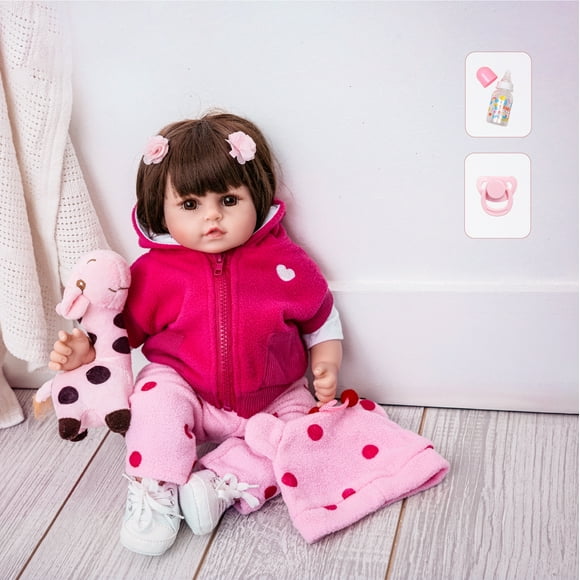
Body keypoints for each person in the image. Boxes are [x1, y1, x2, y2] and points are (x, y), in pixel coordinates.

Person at [49, 112, 343, 556]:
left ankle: (218, 485)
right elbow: (120, 335)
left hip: (274, 396)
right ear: (161, 208)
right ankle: (155, 484)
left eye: (228, 200)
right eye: (190, 205)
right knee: (154, 399)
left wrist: (327, 361)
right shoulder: (153, 273)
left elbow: (320, 315)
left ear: (256, 194)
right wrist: (84, 352)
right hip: (187, 391)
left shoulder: (285, 263)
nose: (212, 217)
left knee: (301, 437)